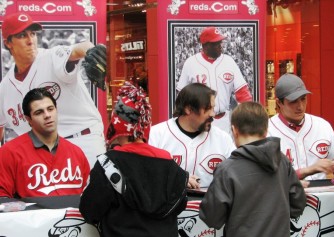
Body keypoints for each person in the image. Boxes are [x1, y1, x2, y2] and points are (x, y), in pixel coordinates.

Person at [79, 82, 188, 237]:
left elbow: (90, 211)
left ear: (117, 126)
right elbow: (180, 205)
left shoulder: (107, 164)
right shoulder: (169, 164)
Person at [0, 12, 106, 168]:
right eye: (22, 35)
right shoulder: (5, 88)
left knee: (91, 192)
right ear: (8, 43)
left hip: (82, 142)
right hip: (40, 155)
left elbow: (78, 49)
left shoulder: (51, 57)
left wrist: (90, 50)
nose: (31, 40)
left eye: (33, 34)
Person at [199, 101, 306, 237]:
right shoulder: (282, 161)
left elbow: (212, 218)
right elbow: (298, 205)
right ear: (266, 130)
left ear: (234, 130)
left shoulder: (227, 169)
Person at [0, 88, 90, 198]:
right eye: (39, 112)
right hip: (30, 215)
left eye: (50, 109)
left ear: (56, 110)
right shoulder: (9, 152)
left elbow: (89, 196)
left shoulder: (76, 152)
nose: (47, 115)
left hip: (72, 214)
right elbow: (2, 198)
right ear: (28, 119)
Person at [148, 83, 233, 189]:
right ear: (188, 109)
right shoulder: (157, 135)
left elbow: (235, 176)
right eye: (208, 108)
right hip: (168, 203)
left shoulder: (223, 139)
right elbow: (146, 176)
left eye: (213, 108)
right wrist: (177, 179)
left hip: (209, 203)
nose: (213, 114)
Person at [176, 27, 252, 134]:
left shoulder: (228, 61)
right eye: (216, 43)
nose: (220, 46)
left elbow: (243, 93)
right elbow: (181, 96)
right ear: (205, 45)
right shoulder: (191, 63)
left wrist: (247, 117)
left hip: (224, 120)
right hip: (199, 120)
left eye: (220, 42)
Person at [268, 73, 334, 180]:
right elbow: (267, 179)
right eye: (293, 101)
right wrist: (310, 170)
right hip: (286, 195)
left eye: (303, 99)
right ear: (279, 103)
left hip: (322, 194)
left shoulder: (323, 126)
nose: (300, 106)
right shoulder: (267, 131)